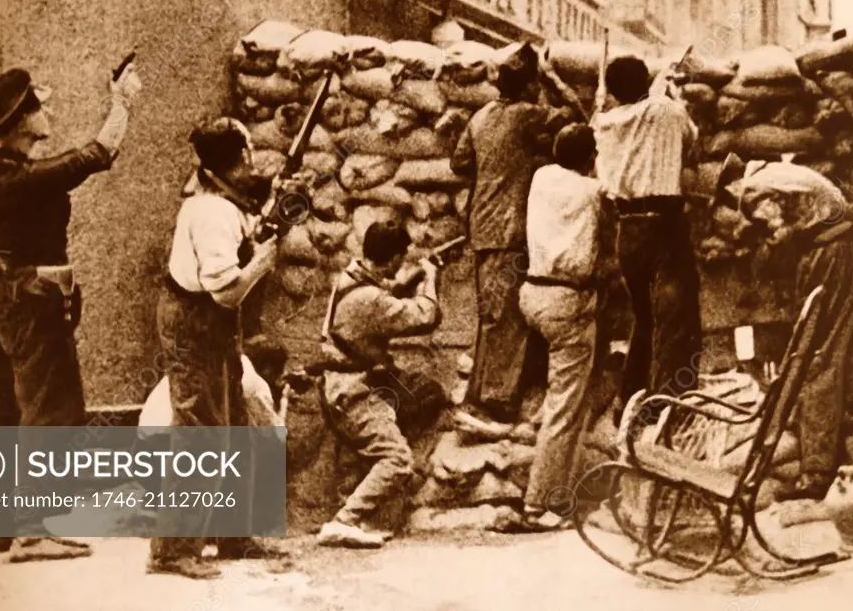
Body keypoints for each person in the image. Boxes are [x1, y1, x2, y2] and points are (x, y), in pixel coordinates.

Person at [0, 64, 140, 560]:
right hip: (34, 306)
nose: (48, 113)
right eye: (39, 108)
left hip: (6, 304)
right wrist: (122, 102)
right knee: (48, 412)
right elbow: (96, 156)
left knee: (12, 411)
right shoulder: (20, 180)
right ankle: (30, 530)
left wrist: (10, 285)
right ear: (22, 123)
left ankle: (2, 521)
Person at [148, 118, 285, 580]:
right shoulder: (212, 213)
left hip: (211, 324)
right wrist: (262, 264)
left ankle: (231, 535)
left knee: (233, 427)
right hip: (196, 320)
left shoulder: (223, 201)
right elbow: (224, 290)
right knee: (199, 434)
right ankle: (172, 550)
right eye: (250, 151)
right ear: (241, 157)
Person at [716, 153, 853, 501]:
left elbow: (779, 230)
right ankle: (811, 450)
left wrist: (759, 246)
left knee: (818, 360)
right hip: (837, 247)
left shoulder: (755, 190)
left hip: (834, 252)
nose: (739, 208)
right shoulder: (780, 175)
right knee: (818, 356)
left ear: (733, 185)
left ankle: (816, 472)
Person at [450, 44, 583, 435]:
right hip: (512, 231)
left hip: (483, 229)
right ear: (528, 86)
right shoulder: (530, 116)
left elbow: (459, 164)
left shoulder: (480, 116)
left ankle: (479, 396)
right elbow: (576, 118)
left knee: (490, 316)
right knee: (507, 319)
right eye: (535, 85)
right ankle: (497, 402)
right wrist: (555, 80)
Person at [316, 221, 444, 549]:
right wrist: (430, 277)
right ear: (390, 260)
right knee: (398, 458)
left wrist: (411, 277)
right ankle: (345, 521)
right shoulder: (369, 299)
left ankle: (367, 512)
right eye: (400, 261)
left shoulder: (351, 276)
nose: (401, 266)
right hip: (354, 391)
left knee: (423, 393)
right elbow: (425, 316)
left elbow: (385, 295)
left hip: (343, 385)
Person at [590, 56, 702, 422]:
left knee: (644, 317)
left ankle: (632, 398)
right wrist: (672, 94)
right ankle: (668, 405)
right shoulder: (668, 111)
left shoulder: (603, 122)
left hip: (628, 229)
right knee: (676, 316)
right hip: (665, 225)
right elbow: (692, 142)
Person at [511, 124, 607, 531]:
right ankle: (540, 504)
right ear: (589, 159)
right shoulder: (594, 193)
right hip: (567, 302)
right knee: (564, 408)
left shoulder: (542, 177)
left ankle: (561, 494)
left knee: (571, 399)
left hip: (533, 294)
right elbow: (609, 187)